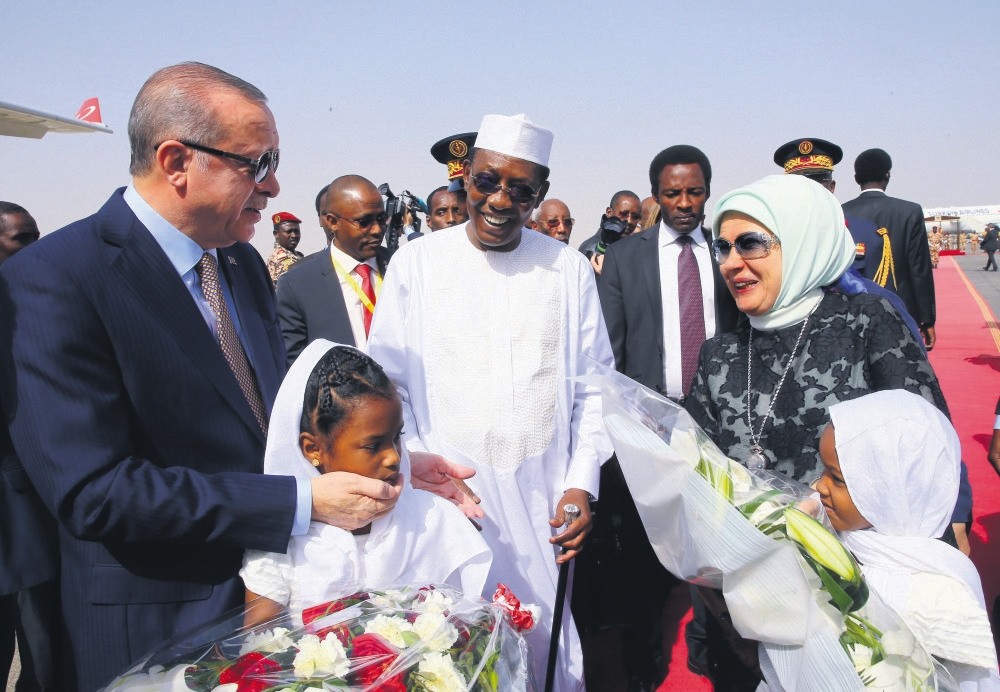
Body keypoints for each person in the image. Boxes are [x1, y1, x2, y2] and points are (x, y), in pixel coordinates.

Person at [0, 63, 471, 690]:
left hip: (268, 612)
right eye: (257, 162)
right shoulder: (56, 279)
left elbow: (275, 426)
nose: (275, 185)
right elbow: (95, 492)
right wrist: (300, 503)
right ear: (176, 161)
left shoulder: (240, 265)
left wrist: (395, 464)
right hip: (152, 629)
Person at [367, 113, 613, 691]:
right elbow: (388, 386)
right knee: (451, 659)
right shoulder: (417, 264)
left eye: (520, 190)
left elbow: (596, 388)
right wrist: (427, 469)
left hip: (543, 502)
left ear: (541, 196)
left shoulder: (568, 270)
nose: (500, 200)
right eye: (487, 182)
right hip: (446, 505)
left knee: (546, 652)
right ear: (466, 180)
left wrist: (583, 483)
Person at [684, 174, 951, 689]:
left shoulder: (867, 324)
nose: (732, 262)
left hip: (861, 610)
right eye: (722, 247)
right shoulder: (719, 355)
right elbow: (695, 482)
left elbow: (921, 458)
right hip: (748, 610)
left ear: (803, 239)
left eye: (751, 243)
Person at [586, 145, 739, 689]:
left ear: (707, 192)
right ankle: (648, 659)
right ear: (655, 196)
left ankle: (715, 649)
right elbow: (610, 353)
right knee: (651, 555)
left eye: (694, 192)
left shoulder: (728, 254)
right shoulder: (627, 258)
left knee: (724, 543)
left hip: (722, 425)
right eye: (672, 193)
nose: (683, 203)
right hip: (650, 425)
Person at [241, 341, 491, 626]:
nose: (393, 457)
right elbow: (259, 641)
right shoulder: (284, 542)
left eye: (397, 437)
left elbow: (468, 623)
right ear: (313, 450)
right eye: (373, 446)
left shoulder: (430, 518)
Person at [818, 391, 998, 689]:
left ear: (888, 487)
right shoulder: (839, 544)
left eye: (836, 478)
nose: (819, 485)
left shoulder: (936, 592)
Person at [0, 203, 60, 691]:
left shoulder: (37, 310)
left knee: (44, 657)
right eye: (22, 238)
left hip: (30, 520)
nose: (34, 250)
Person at [276, 175, 391, 362]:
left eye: (381, 219)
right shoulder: (297, 285)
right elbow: (295, 365)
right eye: (364, 222)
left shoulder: (400, 267)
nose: (377, 229)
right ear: (332, 222)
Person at [842, 148, 937, 350]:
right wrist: (927, 319)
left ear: (857, 178)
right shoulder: (910, 211)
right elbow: (919, 269)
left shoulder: (841, 211)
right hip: (902, 309)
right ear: (888, 175)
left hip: (852, 309)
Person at [578, 190, 642, 259]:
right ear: (609, 212)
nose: (629, 221)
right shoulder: (590, 250)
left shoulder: (634, 249)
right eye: (623, 214)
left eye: (635, 217)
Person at [267, 211, 304, 283]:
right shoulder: (282, 259)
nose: (294, 235)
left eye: (296, 231)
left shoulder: (296, 255)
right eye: (289, 231)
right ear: (276, 234)